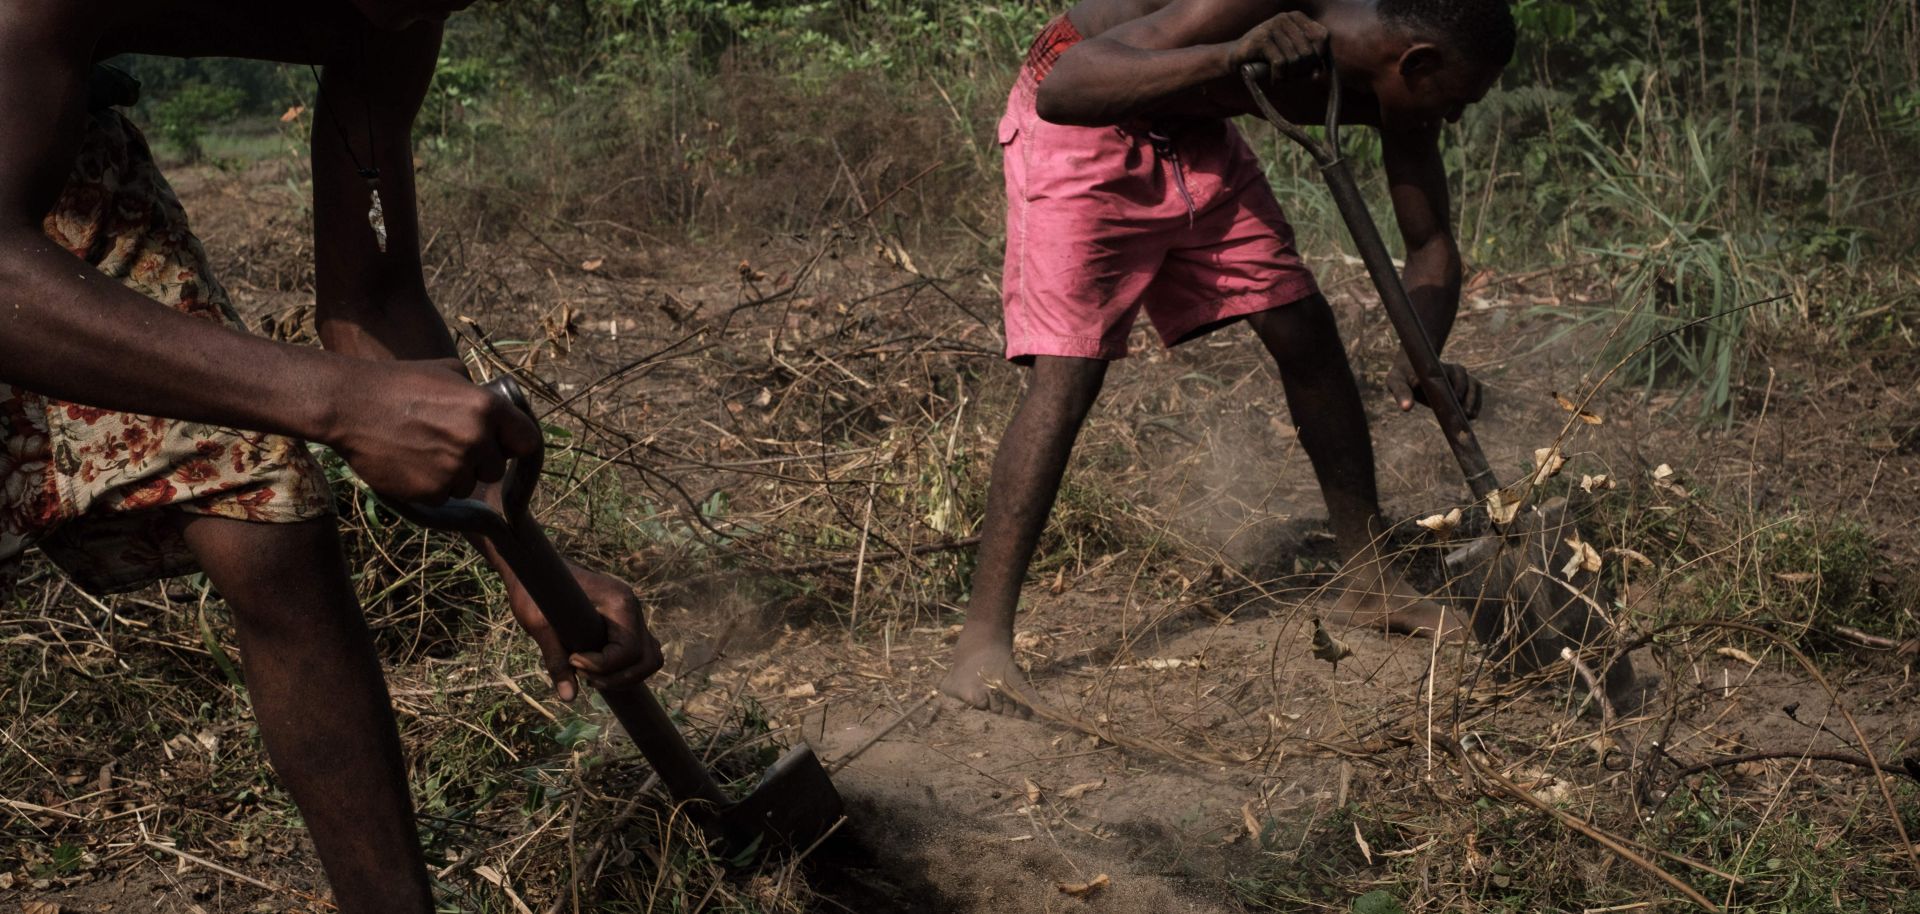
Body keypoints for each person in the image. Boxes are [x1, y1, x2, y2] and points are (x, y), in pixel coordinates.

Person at [0, 2, 661, 909]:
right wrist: (338, 404)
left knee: (264, 508)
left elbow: (375, 302)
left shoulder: (397, 14)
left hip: (53, 144)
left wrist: (525, 558)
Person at [941, 0, 1513, 714]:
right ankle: (983, 643)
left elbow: (1431, 246)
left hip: (1191, 126)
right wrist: (1232, 55)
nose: (1454, 119)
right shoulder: (1268, 4)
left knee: (1302, 326)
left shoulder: (1400, 95)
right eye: (1457, 100)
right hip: (1087, 118)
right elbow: (1067, 87)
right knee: (1071, 370)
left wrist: (1421, 353)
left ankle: (1369, 582)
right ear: (1417, 63)